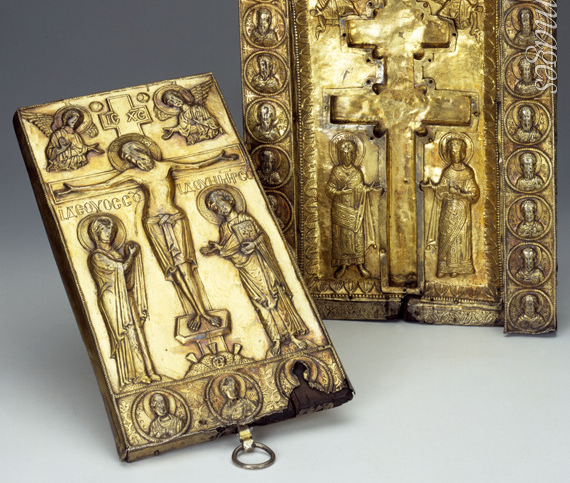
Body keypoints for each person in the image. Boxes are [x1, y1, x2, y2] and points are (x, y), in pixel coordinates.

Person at [57, 135, 237, 331]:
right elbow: (106, 184)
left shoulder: (165, 166)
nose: (134, 162)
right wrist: (74, 189)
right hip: (153, 223)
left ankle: (204, 313)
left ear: (141, 151)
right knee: (174, 270)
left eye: (133, 157)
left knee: (185, 267)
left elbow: (195, 164)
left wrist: (220, 157)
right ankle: (197, 312)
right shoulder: (135, 173)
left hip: (175, 219)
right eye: (129, 160)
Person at [200, 188, 308, 358]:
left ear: (229, 199)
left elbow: (263, 238)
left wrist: (254, 244)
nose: (222, 209)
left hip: (262, 263)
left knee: (276, 296)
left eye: (222, 203)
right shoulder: (224, 227)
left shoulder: (246, 218)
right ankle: (276, 339)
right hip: (247, 269)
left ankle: (293, 336)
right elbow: (229, 250)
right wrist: (217, 249)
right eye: (217, 209)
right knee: (260, 303)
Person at [86, 215, 160, 390]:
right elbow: (120, 270)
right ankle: (135, 375)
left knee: (137, 332)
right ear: (96, 233)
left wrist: (131, 259)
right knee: (127, 333)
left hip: (125, 295)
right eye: (104, 230)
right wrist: (131, 256)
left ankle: (148, 371)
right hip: (112, 299)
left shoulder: (114, 254)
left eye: (110, 230)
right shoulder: (97, 257)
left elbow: (125, 277)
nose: (108, 233)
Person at [424, 137, 480, 277]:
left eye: (458, 152)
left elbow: (474, 194)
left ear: (463, 154)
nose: (456, 155)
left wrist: (460, 193)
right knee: (445, 236)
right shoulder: (448, 172)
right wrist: (432, 187)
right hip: (448, 210)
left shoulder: (467, 172)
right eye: (453, 152)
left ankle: (457, 268)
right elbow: (441, 190)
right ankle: (444, 267)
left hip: (462, 211)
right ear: (449, 154)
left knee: (460, 238)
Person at [325, 138, 381, 279]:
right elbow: (329, 189)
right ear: (339, 155)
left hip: (355, 212)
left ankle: (360, 265)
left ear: (354, 155)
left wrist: (368, 189)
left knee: (357, 238)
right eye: (344, 154)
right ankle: (343, 266)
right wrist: (340, 192)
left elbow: (360, 189)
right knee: (341, 239)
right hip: (340, 210)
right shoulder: (336, 171)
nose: (347, 157)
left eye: (349, 154)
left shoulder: (357, 172)